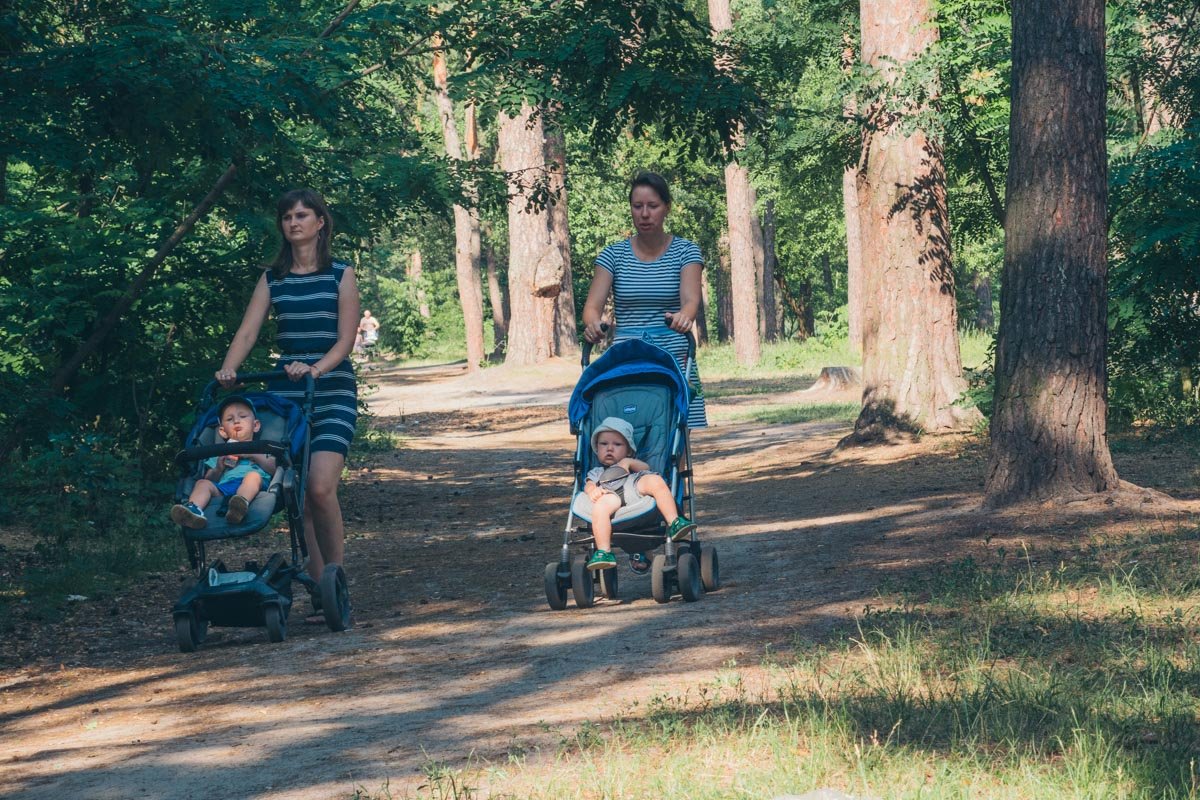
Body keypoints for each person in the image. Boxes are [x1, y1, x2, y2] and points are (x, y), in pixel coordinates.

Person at [215, 188, 359, 618]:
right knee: (298, 497)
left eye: (302, 215)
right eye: (287, 217)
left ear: (320, 223)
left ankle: (334, 577)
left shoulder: (340, 274)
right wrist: (227, 370)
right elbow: (247, 333)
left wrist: (317, 369)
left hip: (331, 389)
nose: (293, 222)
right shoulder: (272, 278)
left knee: (319, 486)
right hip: (287, 395)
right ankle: (319, 587)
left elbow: (345, 339)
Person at [581, 171, 707, 572]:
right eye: (638, 206)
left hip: (670, 356)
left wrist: (684, 318)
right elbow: (592, 305)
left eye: (652, 205)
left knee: (669, 443)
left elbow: (691, 301)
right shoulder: (614, 255)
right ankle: (632, 536)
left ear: (666, 208)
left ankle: (666, 522)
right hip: (628, 360)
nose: (645, 213)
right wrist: (592, 324)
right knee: (618, 435)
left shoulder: (685, 251)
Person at [582, 417, 694, 570]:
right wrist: (592, 490)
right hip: (610, 493)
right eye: (604, 444)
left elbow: (645, 467)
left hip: (633, 486)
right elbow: (588, 484)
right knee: (599, 508)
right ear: (596, 448)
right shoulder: (597, 472)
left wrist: (628, 462)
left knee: (655, 480)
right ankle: (603, 551)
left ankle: (674, 521)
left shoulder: (631, 463)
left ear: (628, 450)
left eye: (617, 444)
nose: (609, 448)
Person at [170, 396, 276, 529]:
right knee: (202, 483)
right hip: (225, 487)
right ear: (222, 431)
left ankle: (240, 505)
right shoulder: (221, 451)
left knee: (252, 476)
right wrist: (218, 468)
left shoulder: (262, 448)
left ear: (255, 425)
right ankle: (193, 511)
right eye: (230, 419)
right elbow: (209, 478)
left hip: (255, 487)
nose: (237, 421)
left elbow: (274, 469)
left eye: (242, 416)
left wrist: (251, 454)